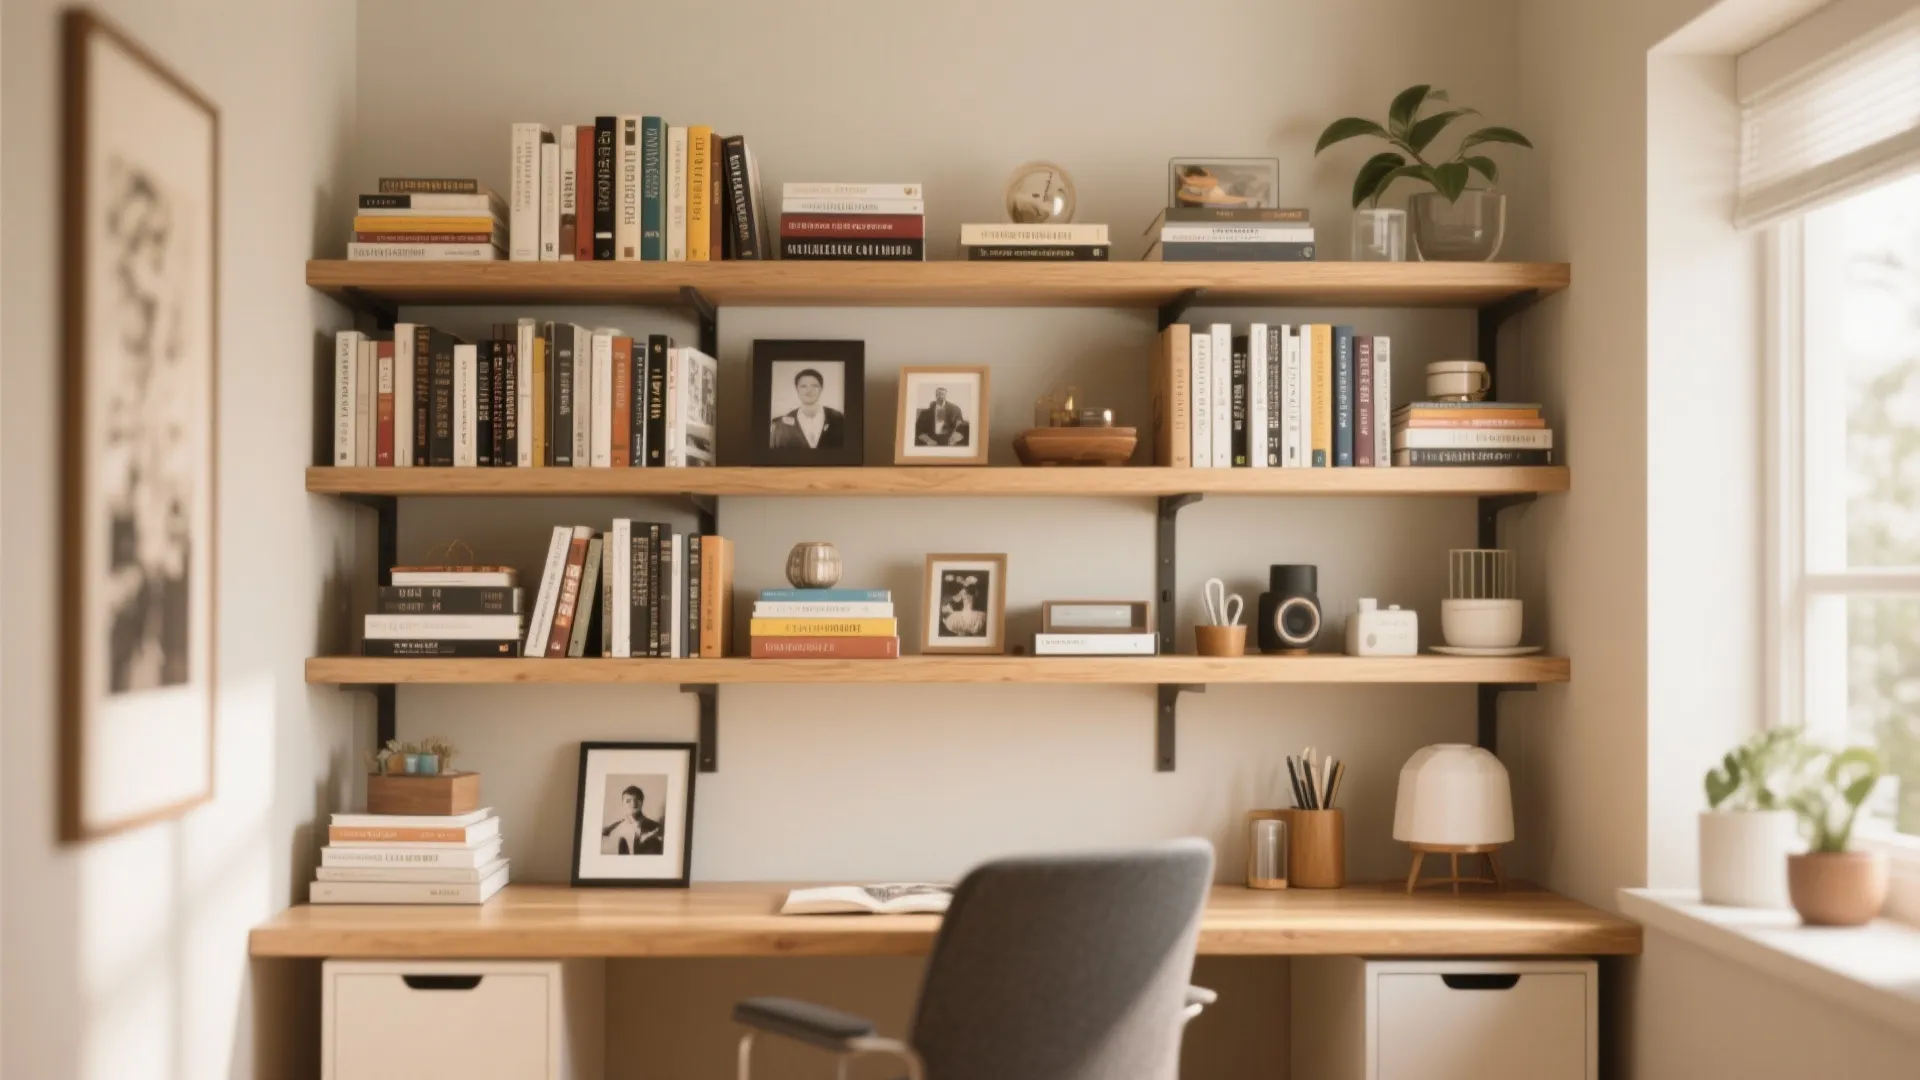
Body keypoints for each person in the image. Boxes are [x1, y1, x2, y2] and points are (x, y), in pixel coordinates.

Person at [768, 367, 844, 450]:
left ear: (821, 389)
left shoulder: (838, 419)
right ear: (797, 389)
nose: (809, 390)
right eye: (804, 386)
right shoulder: (782, 425)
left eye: (814, 386)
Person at [601, 785, 663, 855]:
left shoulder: (656, 828)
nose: (633, 804)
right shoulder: (613, 829)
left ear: (642, 802)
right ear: (623, 804)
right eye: (628, 801)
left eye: (637, 800)